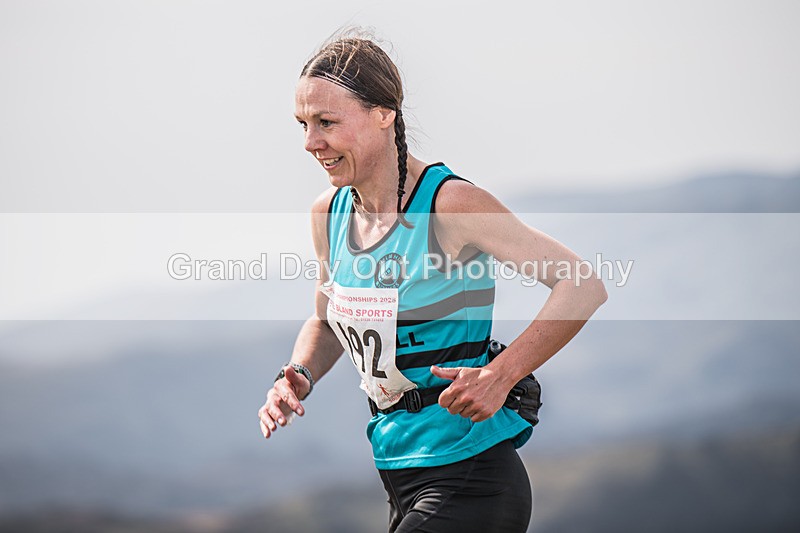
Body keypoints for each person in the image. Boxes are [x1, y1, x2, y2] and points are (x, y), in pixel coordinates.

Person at [257, 32, 608, 533]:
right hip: (397, 472)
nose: (312, 142)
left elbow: (582, 284)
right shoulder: (329, 213)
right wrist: (298, 374)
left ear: (384, 115)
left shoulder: (448, 203)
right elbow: (327, 320)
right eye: (304, 124)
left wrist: (502, 374)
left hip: (471, 475)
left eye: (327, 123)